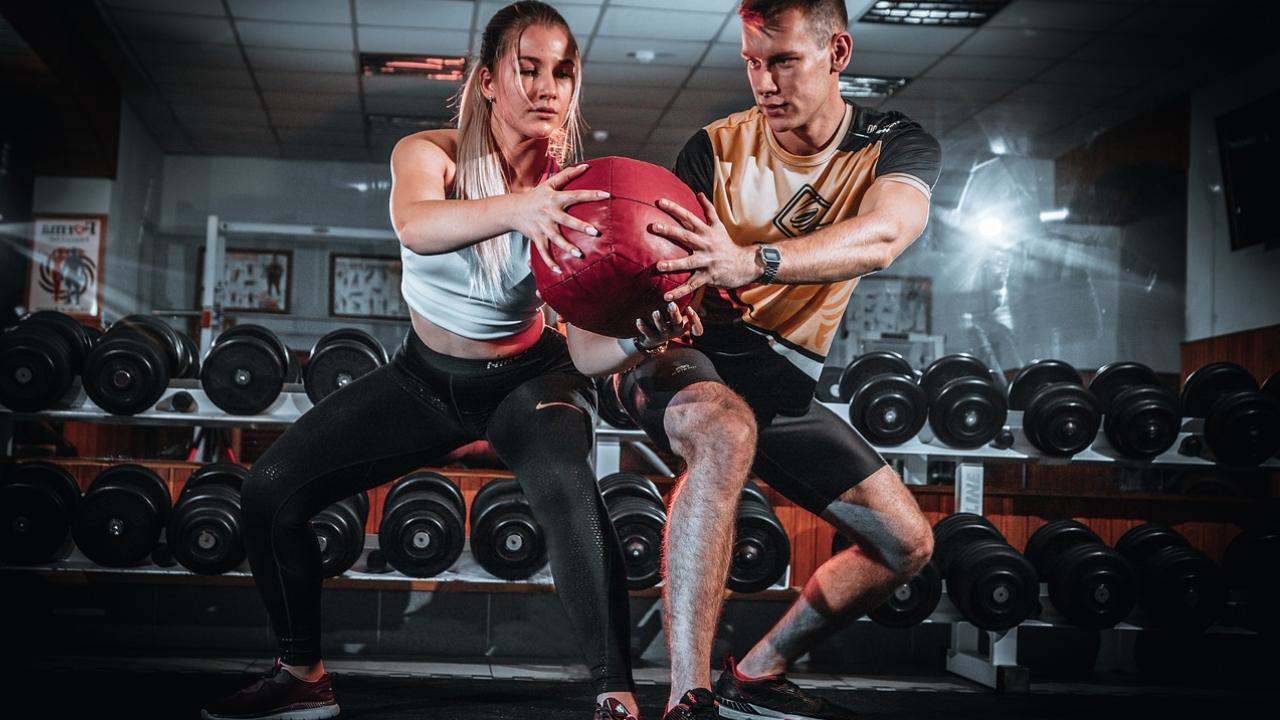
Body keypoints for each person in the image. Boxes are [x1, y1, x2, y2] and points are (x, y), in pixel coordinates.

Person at [201, 3, 698, 719]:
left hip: (530, 379)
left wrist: (640, 337)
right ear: (488, 81)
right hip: (424, 380)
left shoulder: (576, 194)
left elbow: (586, 350)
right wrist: (518, 209)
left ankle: (615, 694)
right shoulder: (427, 154)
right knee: (269, 489)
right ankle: (300, 676)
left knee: (567, 488)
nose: (548, 86)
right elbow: (418, 224)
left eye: (563, 71)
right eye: (527, 68)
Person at [567, 2, 941, 718]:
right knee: (724, 430)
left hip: (779, 378)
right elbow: (669, 273)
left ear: (837, 52)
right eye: (751, 62)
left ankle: (759, 674)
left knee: (906, 542)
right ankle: (689, 697)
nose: (763, 82)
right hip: (686, 359)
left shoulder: (893, 146)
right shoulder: (715, 147)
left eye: (783, 61)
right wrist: (658, 304)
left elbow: (884, 235)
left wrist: (754, 261)